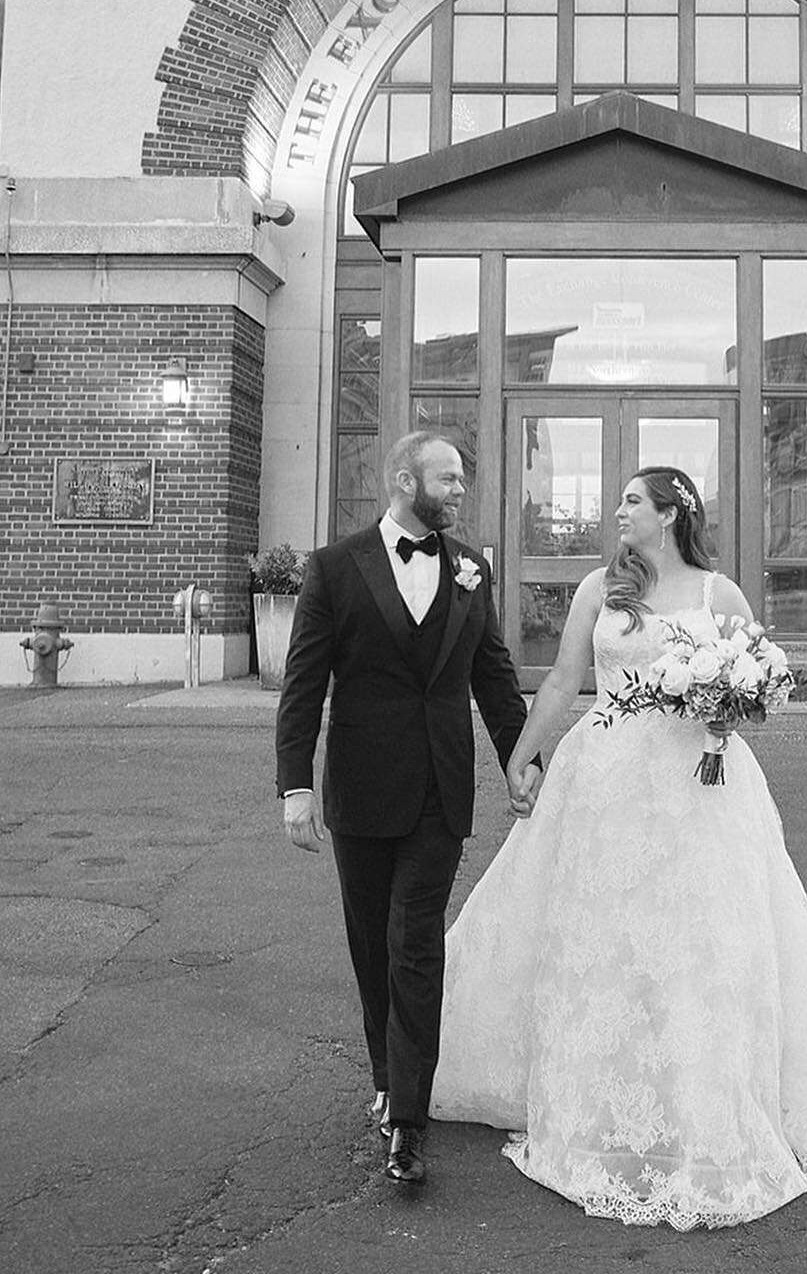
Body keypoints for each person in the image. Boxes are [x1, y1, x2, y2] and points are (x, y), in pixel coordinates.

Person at [430, 465, 807, 1230]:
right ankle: (602, 1100)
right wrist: (522, 754)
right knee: (603, 942)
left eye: (632, 502)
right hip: (604, 780)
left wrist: (730, 708)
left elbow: (764, 678)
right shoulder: (595, 590)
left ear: (671, 515)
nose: (618, 512)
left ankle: (698, 1101)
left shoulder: (719, 595)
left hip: (699, 793)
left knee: (697, 945)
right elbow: (563, 680)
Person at [274, 430, 531, 1188]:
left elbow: (493, 675)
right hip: (360, 789)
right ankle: (387, 1075)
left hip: (439, 793)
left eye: (461, 479)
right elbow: (303, 683)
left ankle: (408, 1123)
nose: (459, 490)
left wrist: (526, 761)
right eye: (446, 478)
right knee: (371, 945)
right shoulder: (334, 568)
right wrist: (296, 786)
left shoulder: (472, 571)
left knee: (415, 940)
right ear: (401, 480)